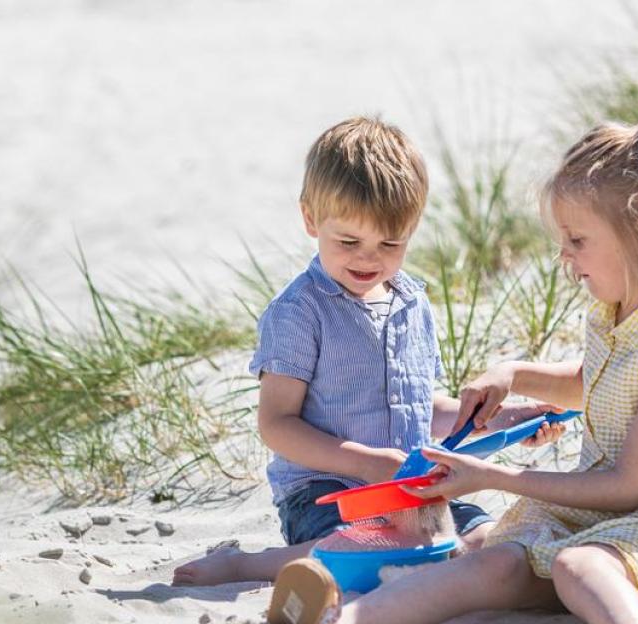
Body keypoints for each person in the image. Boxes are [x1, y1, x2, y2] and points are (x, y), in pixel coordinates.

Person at [265, 93, 638, 624]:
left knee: (580, 566)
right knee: (492, 562)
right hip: (596, 517)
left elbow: (628, 486)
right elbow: (595, 381)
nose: (564, 258)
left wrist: (491, 477)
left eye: (577, 241)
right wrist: (514, 378)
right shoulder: (619, 311)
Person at [172, 116, 563, 587]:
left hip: (411, 485)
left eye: (390, 243)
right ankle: (246, 565)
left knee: (490, 542)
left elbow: (420, 410)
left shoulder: (412, 304)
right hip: (330, 491)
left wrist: (504, 419)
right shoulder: (300, 311)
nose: (368, 258)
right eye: (349, 241)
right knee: (380, 551)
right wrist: (364, 462)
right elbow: (276, 424)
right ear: (311, 219)